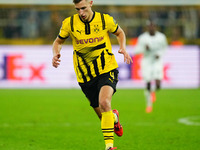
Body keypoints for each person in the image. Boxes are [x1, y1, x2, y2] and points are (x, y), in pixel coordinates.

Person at [52, 0, 133, 149]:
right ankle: (114, 117)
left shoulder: (105, 20)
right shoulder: (69, 23)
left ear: (91, 3)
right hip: (85, 75)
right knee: (104, 116)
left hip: (106, 68)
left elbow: (120, 33)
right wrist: (56, 53)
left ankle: (109, 147)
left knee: (104, 103)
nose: (81, 13)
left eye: (83, 8)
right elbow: (58, 42)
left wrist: (123, 47)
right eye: (77, 9)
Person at [133, 19, 168, 113]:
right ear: (147, 27)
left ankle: (153, 91)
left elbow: (165, 48)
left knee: (158, 85)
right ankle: (149, 105)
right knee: (148, 83)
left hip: (157, 61)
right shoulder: (143, 38)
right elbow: (136, 51)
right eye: (150, 26)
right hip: (147, 61)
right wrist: (144, 49)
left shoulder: (161, 37)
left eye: (153, 26)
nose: (152, 27)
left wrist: (159, 54)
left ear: (155, 26)